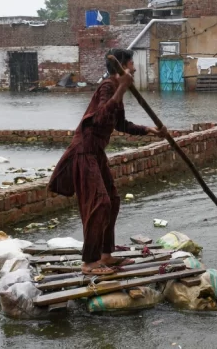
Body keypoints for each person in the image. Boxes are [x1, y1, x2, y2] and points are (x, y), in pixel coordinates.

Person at [48, 49, 167, 275]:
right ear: (122, 66)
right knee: (99, 203)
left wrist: (149, 130)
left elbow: (119, 124)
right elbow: (101, 117)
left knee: (112, 199)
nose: (134, 68)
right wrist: (121, 87)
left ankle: (106, 254)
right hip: (84, 151)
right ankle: (89, 263)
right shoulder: (108, 87)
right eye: (132, 63)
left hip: (97, 152)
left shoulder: (115, 89)